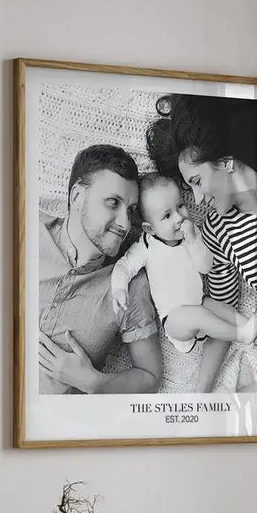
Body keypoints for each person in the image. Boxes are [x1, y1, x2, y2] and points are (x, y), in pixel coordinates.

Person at [145, 94, 257, 393]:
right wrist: (200, 396)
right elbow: (221, 312)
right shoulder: (216, 231)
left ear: (226, 162)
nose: (197, 200)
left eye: (197, 182)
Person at [38, 144, 161, 394]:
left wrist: (93, 382)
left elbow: (150, 377)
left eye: (131, 210)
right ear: (77, 197)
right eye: (112, 202)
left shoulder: (129, 286)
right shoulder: (26, 228)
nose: (125, 223)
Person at [110, 172, 257, 352]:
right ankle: (242, 335)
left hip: (199, 302)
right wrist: (119, 288)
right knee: (199, 314)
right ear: (150, 228)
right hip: (174, 320)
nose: (179, 217)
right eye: (167, 216)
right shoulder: (146, 245)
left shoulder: (192, 234)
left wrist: (192, 241)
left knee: (220, 307)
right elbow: (124, 266)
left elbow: (206, 267)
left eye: (180, 206)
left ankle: (254, 330)